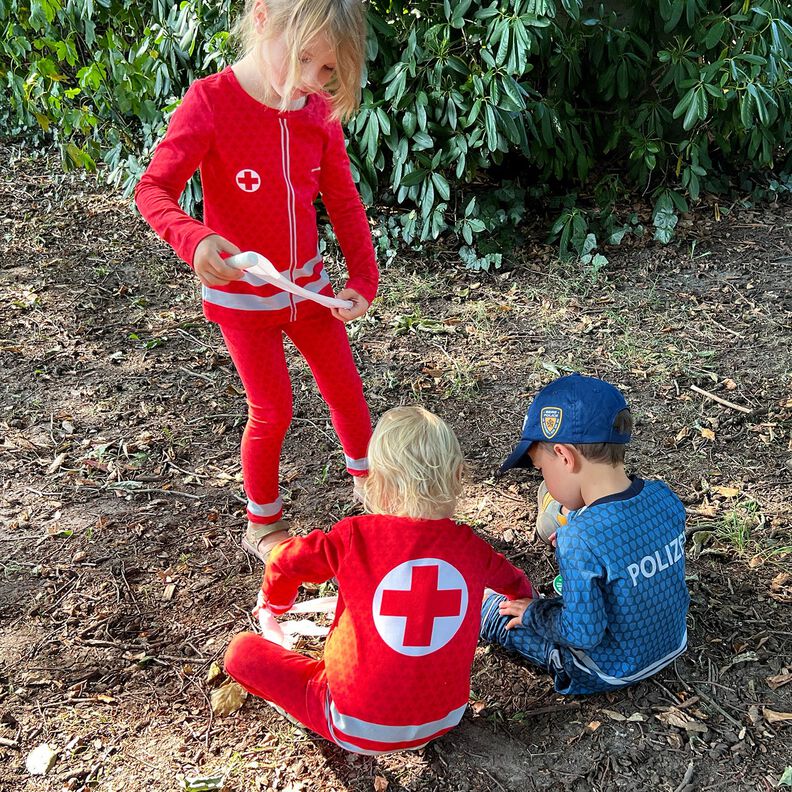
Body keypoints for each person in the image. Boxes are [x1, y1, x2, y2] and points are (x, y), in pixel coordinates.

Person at [134, 0, 377, 562]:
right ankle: (262, 522)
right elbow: (153, 190)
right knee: (273, 408)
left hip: (310, 293)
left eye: (327, 71)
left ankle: (373, 491)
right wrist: (193, 239)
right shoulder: (211, 103)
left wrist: (362, 280)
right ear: (263, 17)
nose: (310, 80)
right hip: (242, 300)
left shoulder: (315, 111)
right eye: (304, 58)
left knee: (346, 391)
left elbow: (342, 200)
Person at [224, 406, 535, 754]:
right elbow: (515, 582)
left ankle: (307, 708)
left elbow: (284, 560)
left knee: (242, 653)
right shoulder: (472, 548)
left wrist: (275, 603)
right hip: (446, 716)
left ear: (377, 483)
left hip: (351, 722)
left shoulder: (354, 537)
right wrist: (525, 605)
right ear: (458, 477)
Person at [481, 373, 689, 694]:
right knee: (587, 518)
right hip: (671, 642)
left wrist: (535, 612)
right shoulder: (664, 497)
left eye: (541, 470)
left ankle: (557, 516)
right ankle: (562, 511)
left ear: (565, 457)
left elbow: (583, 633)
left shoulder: (579, 538)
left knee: (497, 613)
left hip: (610, 668)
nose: (543, 476)